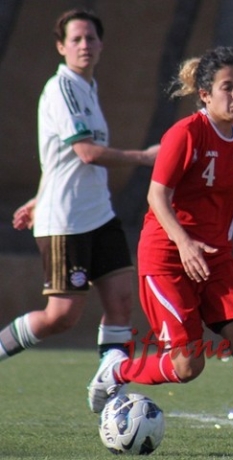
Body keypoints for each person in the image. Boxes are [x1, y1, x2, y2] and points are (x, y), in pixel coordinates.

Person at [87, 46, 233, 449]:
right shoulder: (186, 134)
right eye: (227, 87)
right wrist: (185, 243)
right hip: (167, 258)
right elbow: (157, 196)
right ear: (205, 94)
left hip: (216, 259)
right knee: (188, 366)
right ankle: (118, 371)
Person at [0, 9, 157, 363]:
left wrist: (38, 197)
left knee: (121, 302)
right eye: (76, 39)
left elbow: (57, 155)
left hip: (99, 213)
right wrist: (146, 157)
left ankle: (110, 387)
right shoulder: (62, 88)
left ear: (101, 45)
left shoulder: (88, 87)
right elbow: (86, 153)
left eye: (90, 38)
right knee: (61, 316)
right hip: (67, 220)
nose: (84, 45)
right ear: (61, 47)